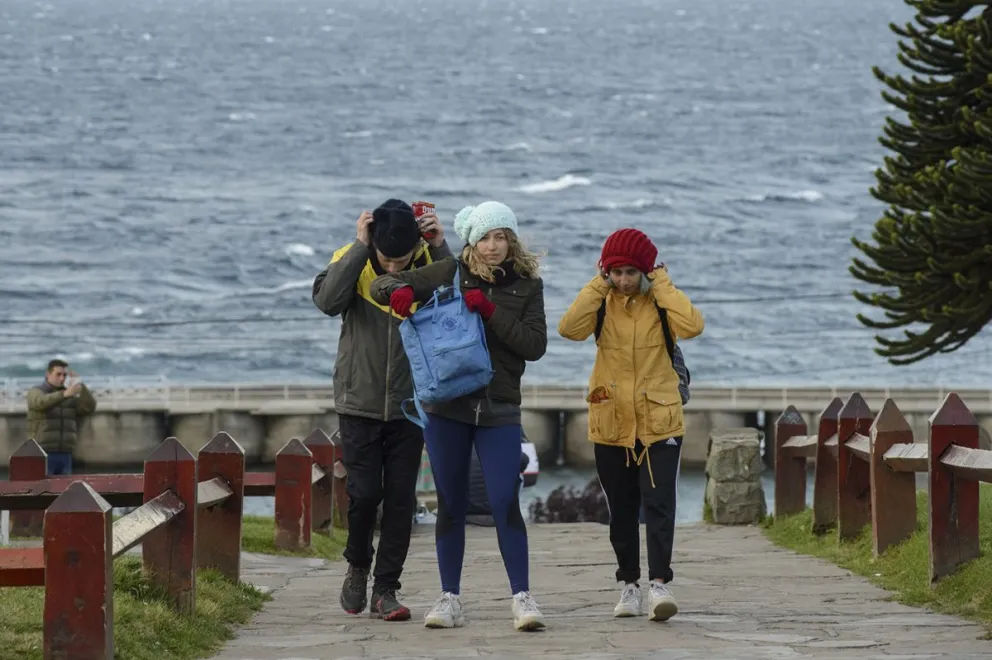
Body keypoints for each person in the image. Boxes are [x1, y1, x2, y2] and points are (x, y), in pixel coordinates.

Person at [369, 200, 547, 632]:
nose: (492, 246)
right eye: (484, 238)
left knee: (505, 500)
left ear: (512, 240)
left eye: (500, 236)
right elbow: (382, 285)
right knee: (450, 504)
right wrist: (402, 293)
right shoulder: (450, 271)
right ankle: (449, 597)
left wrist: (489, 311)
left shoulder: (527, 285)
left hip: (500, 407)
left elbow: (534, 345)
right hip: (448, 406)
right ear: (472, 241)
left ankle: (522, 597)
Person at [311, 199, 451, 621]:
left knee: (401, 502)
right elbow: (327, 301)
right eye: (386, 260)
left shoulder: (430, 264)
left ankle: (386, 589)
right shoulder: (351, 263)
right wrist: (358, 248)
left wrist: (441, 246)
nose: (393, 269)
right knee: (364, 494)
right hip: (359, 401)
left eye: (401, 260)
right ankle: (357, 566)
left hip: (411, 404)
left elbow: (460, 295)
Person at [557, 228, 704, 622]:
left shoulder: (660, 302)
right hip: (612, 423)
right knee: (621, 510)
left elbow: (693, 326)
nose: (623, 280)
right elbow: (568, 329)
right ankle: (629, 586)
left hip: (659, 422)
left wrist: (662, 284)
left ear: (644, 271)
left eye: (630, 272)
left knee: (660, 506)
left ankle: (659, 584)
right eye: (616, 272)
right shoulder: (602, 301)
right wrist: (596, 284)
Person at [25, 359, 97, 475]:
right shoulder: (37, 391)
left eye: (64, 375)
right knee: (43, 488)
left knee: (64, 489)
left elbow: (89, 408)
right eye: (58, 374)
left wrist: (80, 385)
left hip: (65, 451)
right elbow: (39, 403)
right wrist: (63, 395)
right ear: (48, 374)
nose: (62, 378)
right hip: (42, 450)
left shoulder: (69, 395)